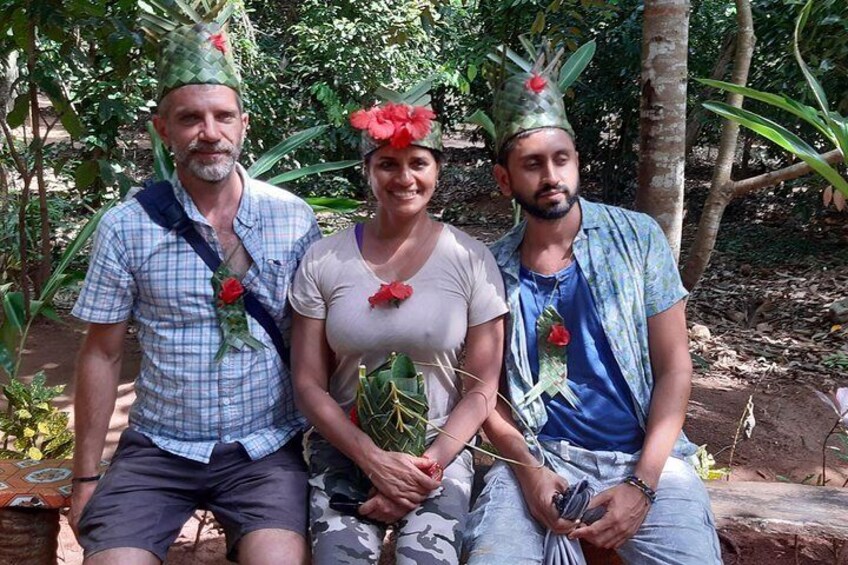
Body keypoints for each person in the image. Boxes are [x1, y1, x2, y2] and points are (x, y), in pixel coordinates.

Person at [68, 16, 319, 565]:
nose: (210, 132)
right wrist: (86, 475)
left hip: (265, 449)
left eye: (223, 116)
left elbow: (314, 338)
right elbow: (102, 352)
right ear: (164, 130)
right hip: (158, 449)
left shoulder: (291, 218)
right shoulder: (126, 227)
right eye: (190, 119)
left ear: (243, 124)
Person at [464, 53, 722, 564]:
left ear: (577, 161)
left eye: (561, 159)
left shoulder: (637, 239)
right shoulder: (489, 268)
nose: (551, 175)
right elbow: (483, 393)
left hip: (643, 460)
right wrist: (529, 472)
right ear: (503, 179)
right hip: (538, 462)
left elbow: (674, 368)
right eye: (532, 164)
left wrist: (643, 485)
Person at [289, 93, 508, 564]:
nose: (404, 178)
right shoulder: (325, 259)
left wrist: (425, 469)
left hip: (438, 451)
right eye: (388, 164)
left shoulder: (471, 260)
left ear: (437, 170)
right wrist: (370, 457)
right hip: (346, 449)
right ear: (368, 171)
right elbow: (308, 384)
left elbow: (481, 388)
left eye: (418, 163)